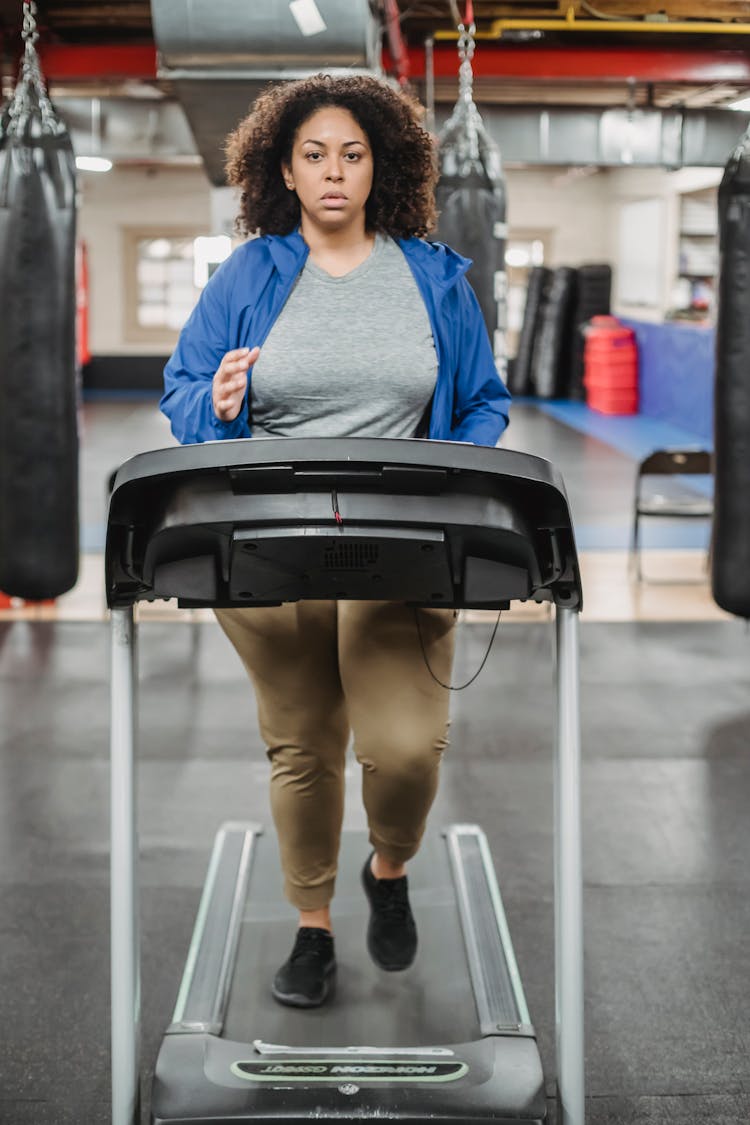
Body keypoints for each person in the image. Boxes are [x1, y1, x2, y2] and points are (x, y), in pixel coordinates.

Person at [160, 73, 511, 1009]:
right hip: (270, 540)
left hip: (398, 544)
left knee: (402, 750)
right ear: (284, 167)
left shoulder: (432, 276)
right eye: (314, 154)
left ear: (377, 166)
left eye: (352, 154)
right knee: (305, 746)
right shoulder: (247, 274)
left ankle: (388, 868)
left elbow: (484, 402)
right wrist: (219, 403)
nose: (333, 172)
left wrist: (445, 465)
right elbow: (185, 391)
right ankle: (311, 925)